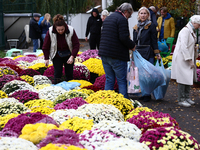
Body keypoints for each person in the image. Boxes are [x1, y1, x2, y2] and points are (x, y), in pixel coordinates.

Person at [99, 3, 135, 98]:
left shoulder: (108, 18)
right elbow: (124, 38)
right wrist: (132, 45)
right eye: (129, 16)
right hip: (116, 55)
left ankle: (107, 101)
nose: (128, 18)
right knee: (121, 80)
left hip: (104, 53)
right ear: (126, 12)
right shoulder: (122, 19)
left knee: (109, 79)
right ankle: (124, 102)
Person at [133, 6, 161, 102]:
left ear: (148, 15)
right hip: (138, 53)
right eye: (141, 13)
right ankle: (143, 93)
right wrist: (131, 52)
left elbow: (154, 40)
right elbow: (134, 42)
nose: (143, 15)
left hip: (148, 53)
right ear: (138, 15)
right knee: (140, 75)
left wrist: (157, 53)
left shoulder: (151, 26)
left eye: (145, 13)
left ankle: (148, 94)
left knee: (148, 75)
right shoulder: (136, 27)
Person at [171, 15, 200, 107]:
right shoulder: (185, 31)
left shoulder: (191, 31)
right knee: (183, 78)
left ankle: (186, 97)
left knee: (188, 76)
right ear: (194, 23)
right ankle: (181, 99)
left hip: (187, 57)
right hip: (182, 58)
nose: (199, 26)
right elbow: (183, 47)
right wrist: (189, 60)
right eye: (199, 24)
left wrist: (195, 49)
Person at [42, 14, 80, 84]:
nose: (60, 31)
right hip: (56, 55)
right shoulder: (50, 31)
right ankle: (57, 89)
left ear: (65, 27)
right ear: (55, 28)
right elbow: (45, 46)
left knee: (69, 73)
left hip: (68, 54)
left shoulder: (71, 30)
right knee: (57, 73)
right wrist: (46, 58)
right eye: (58, 30)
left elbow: (76, 44)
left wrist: (72, 56)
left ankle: (70, 89)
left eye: (62, 29)